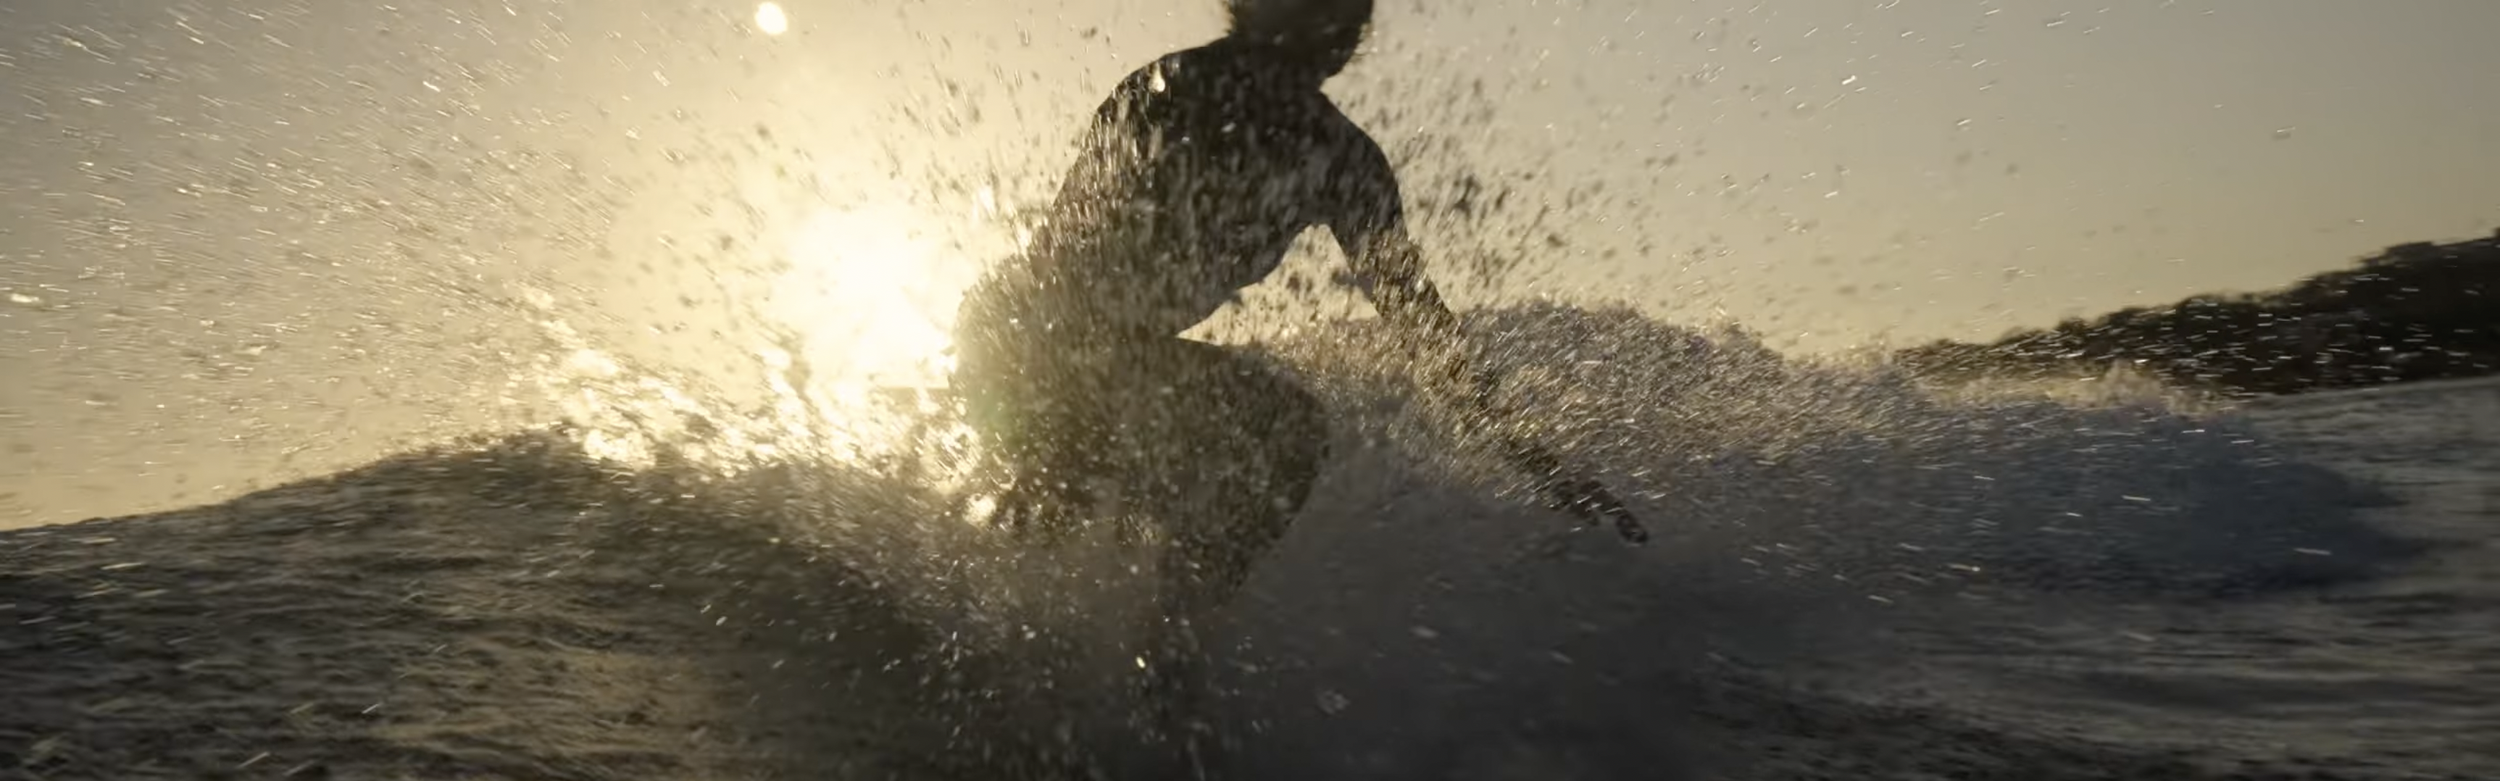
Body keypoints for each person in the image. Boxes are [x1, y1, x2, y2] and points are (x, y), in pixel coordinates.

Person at [946, 0, 1646, 730]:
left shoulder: (1341, 160)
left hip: (1107, 360)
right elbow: (1056, 269)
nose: (1333, 31)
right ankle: (1030, 667)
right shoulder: (1171, 91)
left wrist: (1540, 463)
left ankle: (1156, 665)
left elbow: (1422, 329)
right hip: (1019, 336)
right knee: (1091, 501)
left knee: (1274, 443)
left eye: (1346, 16)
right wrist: (1045, 431)